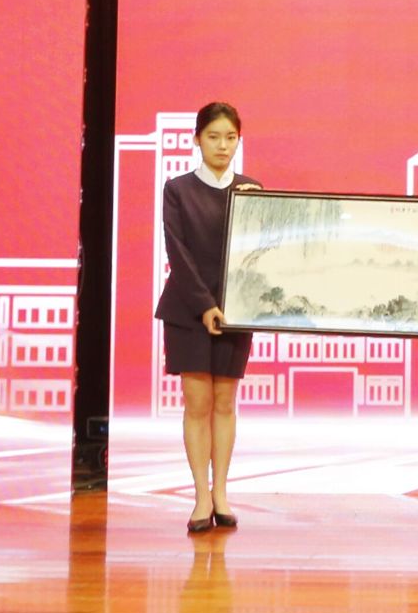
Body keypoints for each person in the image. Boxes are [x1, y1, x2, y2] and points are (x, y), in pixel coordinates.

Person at [154, 101, 261, 534]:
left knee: (225, 403)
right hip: (188, 310)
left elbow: (259, 255)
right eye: (213, 137)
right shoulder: (178, 189)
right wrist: (204, 306)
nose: (222, 146)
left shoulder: (251, 190)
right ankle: (201, 496)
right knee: (197, 403)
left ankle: (221, 494)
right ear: (197, 140)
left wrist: (260, 212)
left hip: (236, 310)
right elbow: (177, 253)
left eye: (230, 138)